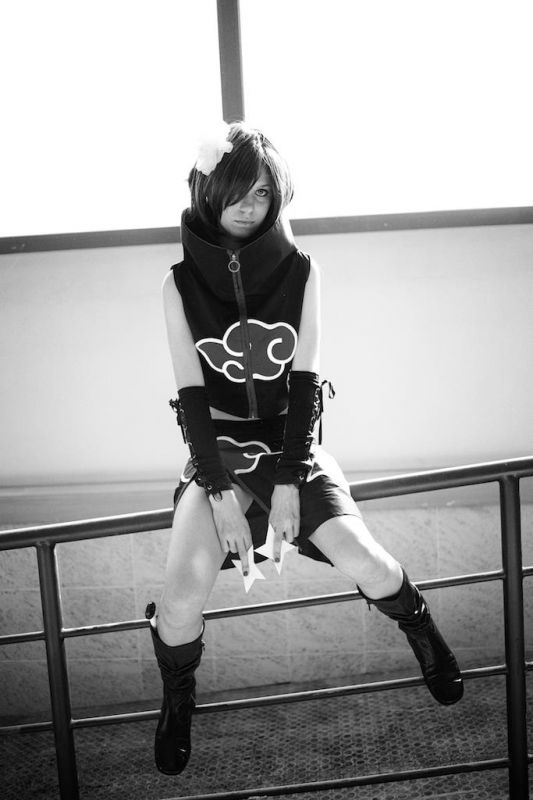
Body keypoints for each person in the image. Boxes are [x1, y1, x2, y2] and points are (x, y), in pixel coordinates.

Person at [146, 121, 463, 776]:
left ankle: (420, 627)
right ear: (208, 192)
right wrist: (217, 491)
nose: (249, 205)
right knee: (178, 601)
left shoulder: (303, 271)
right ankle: (178, 696)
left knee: (369, 563)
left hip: (290, 442)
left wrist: (290, 479)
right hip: (218, 452)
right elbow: (191, 399)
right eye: (237, 191)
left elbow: (305, 384)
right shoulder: (178, 284)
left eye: (263, 192)